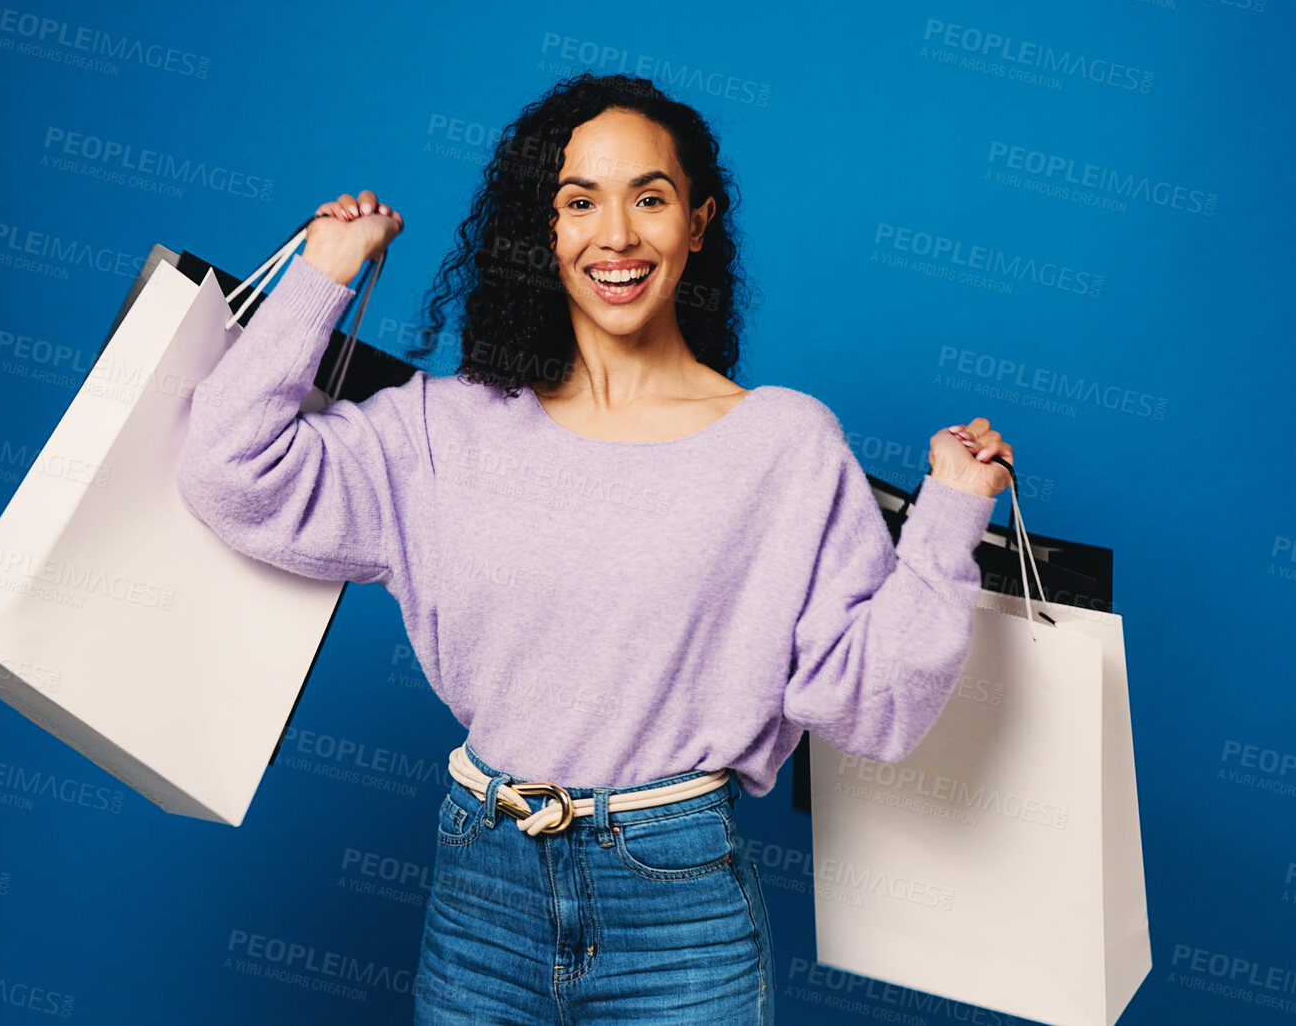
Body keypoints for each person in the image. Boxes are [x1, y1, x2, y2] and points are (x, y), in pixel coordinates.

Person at [175, 72, 1014, 1025]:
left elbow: (871, 707)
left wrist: (947, 519)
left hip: (679, 905)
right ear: (544, 229)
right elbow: (227, 469)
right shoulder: (441, 429)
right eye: (579, 202)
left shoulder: (782, 445)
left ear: (696, 223)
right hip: (479, 889)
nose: (614, 235)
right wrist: (322, 272)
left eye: (647, 198)